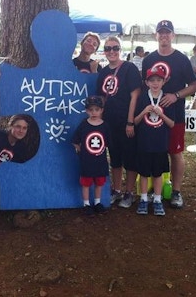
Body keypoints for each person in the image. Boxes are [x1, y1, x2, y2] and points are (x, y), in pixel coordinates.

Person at [141, 20, 196, 209]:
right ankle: (151, 189)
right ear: (156, 35)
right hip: (151, 117)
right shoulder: (148, 60)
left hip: (174, 115)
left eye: (167, 32)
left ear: (173, 35)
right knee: (151, 151)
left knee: (175, 152)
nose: (164, 36)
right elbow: (144, 87)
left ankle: (176, 191)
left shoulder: (181, 59)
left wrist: (176, 95)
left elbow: (194, 85)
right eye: (161, 32)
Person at [96, 36, 141, 208]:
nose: (112, 52)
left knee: (130, 157)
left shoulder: (129, 68)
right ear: (104, 51)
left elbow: (135, 95)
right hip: (109, 122)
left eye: (115, 48)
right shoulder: (103, 72)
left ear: (120, 50)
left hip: (126, 121)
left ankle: (129, 192)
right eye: (108, 49)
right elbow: (101, 98)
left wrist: (130, 122)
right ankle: (116, 189)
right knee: (114, 157)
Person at [134, 67, 175, 216]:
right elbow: (135, 121)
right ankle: (144, 199)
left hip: (160, 144)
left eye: (159, 80)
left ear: (163, 82)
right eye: (152, 80)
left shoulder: (166, 99)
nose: (155, 83)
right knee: (144, 173)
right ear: (147, 82)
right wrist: (144, 111)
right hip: (144, 143)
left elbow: (171, 124)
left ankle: (157, 200)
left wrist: (161, 115)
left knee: (158, 173)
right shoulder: (143, 98)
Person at [72, 96, 111, 216]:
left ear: (101, 110)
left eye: (97, 109)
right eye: (91, 110)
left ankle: (97, 203)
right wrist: (80, 150)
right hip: (87, 161)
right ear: (86, 111)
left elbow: (108, 143)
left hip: (100, 160)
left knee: (99, 182)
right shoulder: (84, 124)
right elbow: (75, 140)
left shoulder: (105, 126)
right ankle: (86, 204)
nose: (94, 112)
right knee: (86, 182)